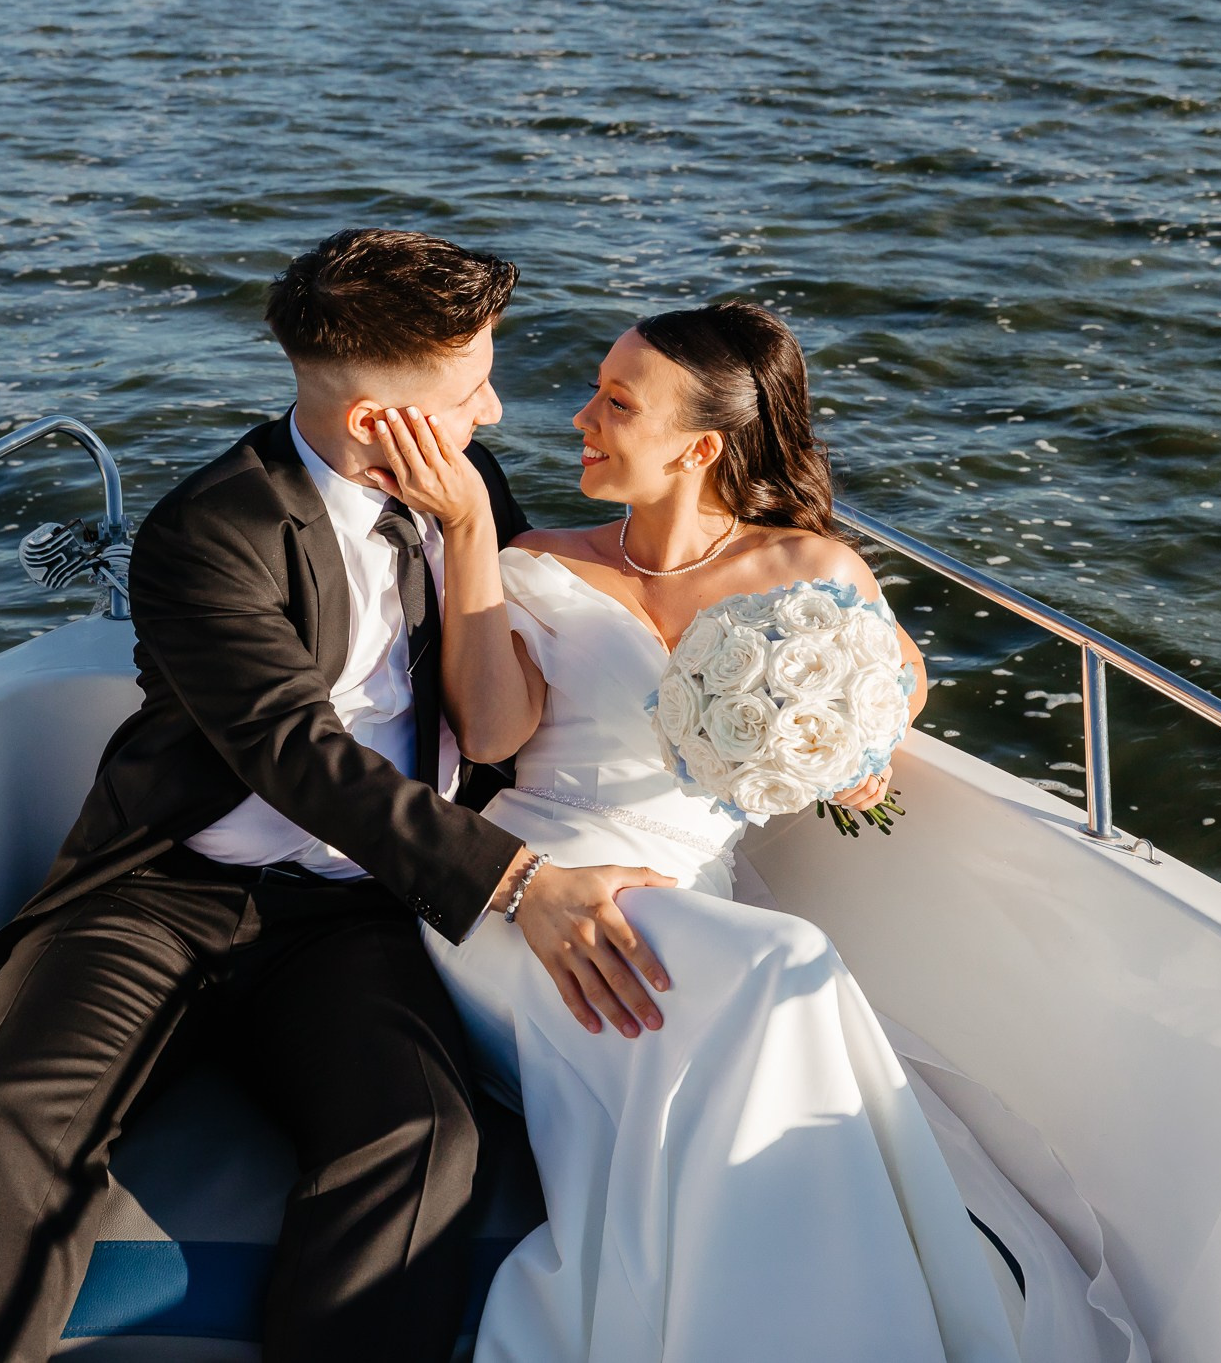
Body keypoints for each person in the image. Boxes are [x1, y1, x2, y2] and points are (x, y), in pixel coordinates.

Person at [0, 228, 688, 1363]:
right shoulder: (207, 533)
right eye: (472, 390)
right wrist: (518, 884)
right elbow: (294, 755)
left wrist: (473, 527)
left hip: (352, 918)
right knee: (5, 1116)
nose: (492, 416)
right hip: (159, 892)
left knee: (423, 1141)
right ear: (370, 422)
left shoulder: (468, 487)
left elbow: (496, 712)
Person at [367, 298, 1025, 1361]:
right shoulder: (540, 559)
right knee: (788, 963)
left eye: (615, 402)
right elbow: (490, 729)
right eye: (592, 391)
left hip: (687, 901)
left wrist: (848, 762)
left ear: (700, 447)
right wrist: (468, 534)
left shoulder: (808, 574)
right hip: (523, 898)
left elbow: (886, 694)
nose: (578, 416)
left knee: (760, 976)